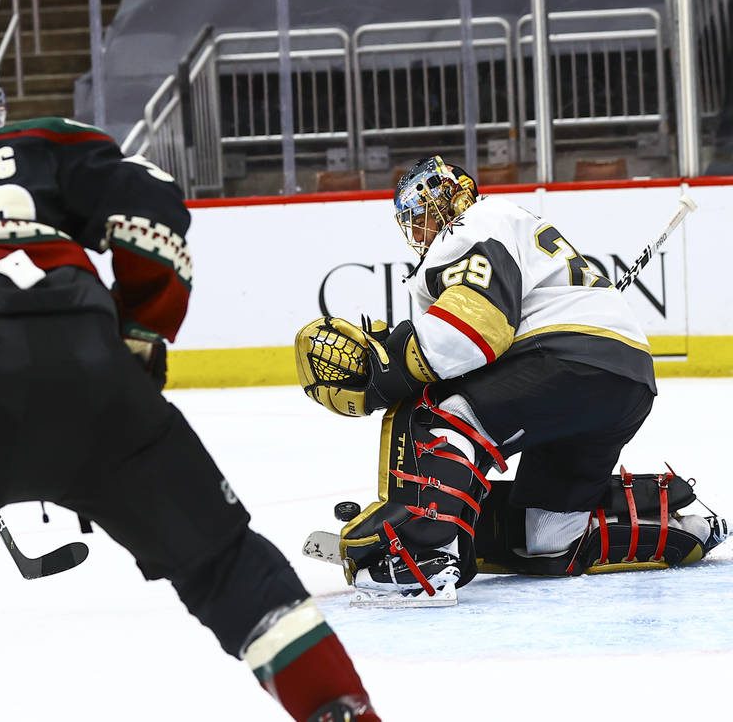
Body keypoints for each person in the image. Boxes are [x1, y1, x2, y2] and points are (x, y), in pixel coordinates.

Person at [0, 23, 382, 722]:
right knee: (230, 568)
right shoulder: (46, 142)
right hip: (92, 377)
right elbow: (154, 213)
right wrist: (141, 337)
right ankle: (343, 710)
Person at [296, 156, 728, 606]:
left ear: (456, 194)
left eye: (428, 210)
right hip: (625, 380)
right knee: (547, 537)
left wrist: (384, 369)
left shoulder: (472, 223)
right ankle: (686, 526)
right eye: (415, 219)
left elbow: (472, 330)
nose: (424, 227)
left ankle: (421, 556)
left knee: (434, 413)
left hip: (563, 363)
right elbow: (479, 348)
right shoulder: (508, 224)